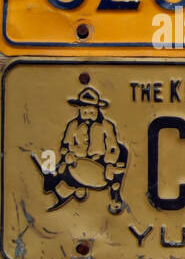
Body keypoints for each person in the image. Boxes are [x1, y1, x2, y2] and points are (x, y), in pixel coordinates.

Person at [41, 86, 127, 214]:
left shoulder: (106, 126)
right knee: (57, 174)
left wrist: (109, 161)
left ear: (97, 111)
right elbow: (65, 145)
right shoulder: (73, 126)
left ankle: (115, 196)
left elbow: (113, 147)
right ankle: (68, 184)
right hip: (76, 162)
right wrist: (67, 154)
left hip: (100, 163)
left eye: (92, 113)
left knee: (114, 172)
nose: (88, 116)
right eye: (85, 112)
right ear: (80, 110)